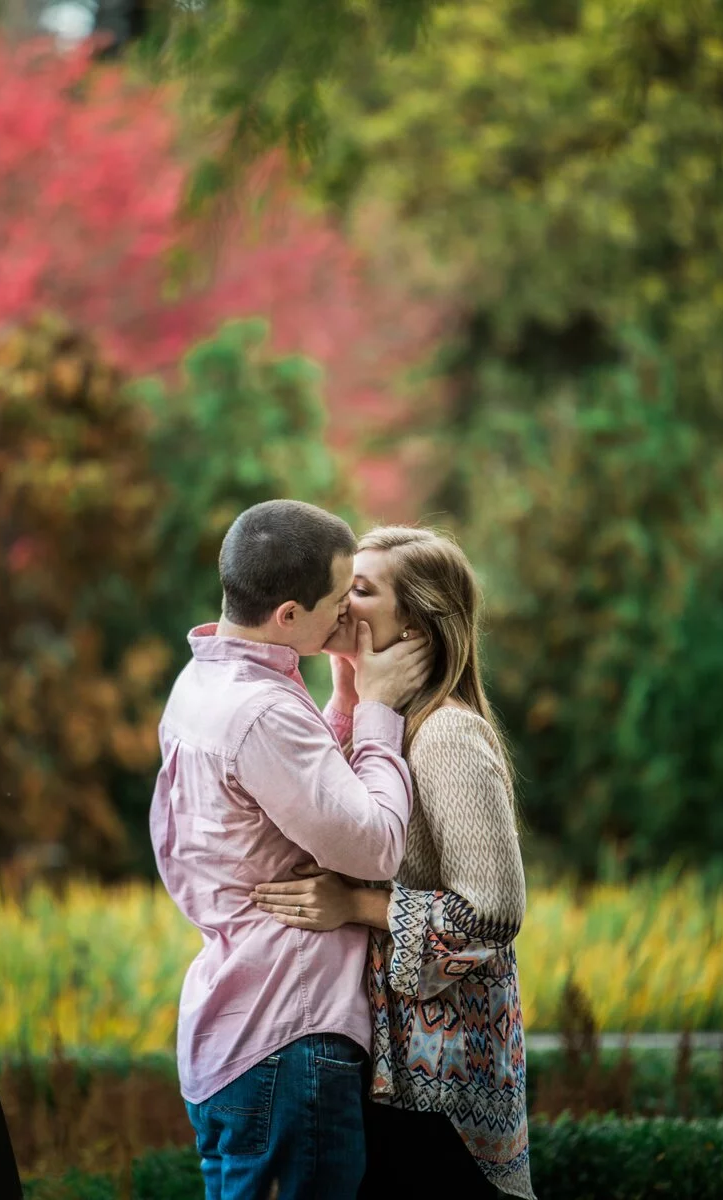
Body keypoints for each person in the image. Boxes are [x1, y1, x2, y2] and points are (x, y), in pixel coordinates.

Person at [149, 501, 432, 1200]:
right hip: (287, 1036)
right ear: (286, 615)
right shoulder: (262, 713)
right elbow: (375, 844)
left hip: (239, 1030)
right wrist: (377, 710)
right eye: (338, 603)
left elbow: (306, 799)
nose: (347, 619)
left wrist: (339, 700)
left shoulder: (204, 686)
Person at [252, 526, 535, 1199]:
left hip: (442, 1083)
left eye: (363, 590)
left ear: (417, 622)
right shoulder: (384, 726)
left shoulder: (446, 733)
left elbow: (494, 911)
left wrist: (353, 906)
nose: (341, 603)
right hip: (391, 1068)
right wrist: (350, 691)